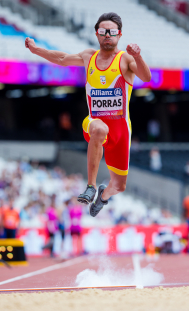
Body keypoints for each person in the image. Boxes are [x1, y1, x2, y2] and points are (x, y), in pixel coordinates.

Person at [25, 12, 151, 217]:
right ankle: (91, 186)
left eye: (112, 32)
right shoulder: (88, 57)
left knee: (119, 186)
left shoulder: (125, 59)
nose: (107, 35)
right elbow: (63, 58)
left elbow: (146, 77)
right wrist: (36, 49)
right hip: (94, 122)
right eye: (103, 31)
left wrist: (137, 55)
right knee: (100, 128)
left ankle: (103, 196)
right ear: (96, 34)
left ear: (119, 34)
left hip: (121, 131)